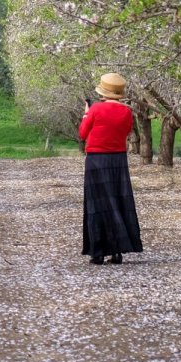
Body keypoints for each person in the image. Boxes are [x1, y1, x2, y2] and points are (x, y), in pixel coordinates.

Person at [79, 73, 143, 265]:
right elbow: (126, 131)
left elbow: (83, 133)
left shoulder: (96, 109)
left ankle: (97, 253)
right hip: (118, 160)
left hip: (97, 160)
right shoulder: (127, 112)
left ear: (103, 91)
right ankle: (117, 252)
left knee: (97, 204)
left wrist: (86, 113)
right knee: (118, 202)